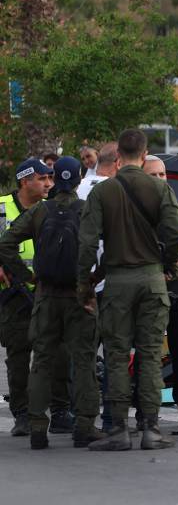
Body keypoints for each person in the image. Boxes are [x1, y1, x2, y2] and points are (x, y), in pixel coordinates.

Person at [78, 129, 178, 450]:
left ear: (116, 156)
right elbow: (177, 231)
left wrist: (83, 284)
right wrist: (170, 265)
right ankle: (150, 429)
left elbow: (86, 243)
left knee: (116, 355)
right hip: (153, 279)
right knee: (151, 355)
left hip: (117, 283)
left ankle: (118, 431)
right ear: (144, 153)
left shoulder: (103, 192)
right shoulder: (158, 188)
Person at [0, 157, 104, 449]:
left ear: (55, 178)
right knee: (83, 360)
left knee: (41, 362)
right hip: (79, 295)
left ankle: (36, 428)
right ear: (80, 179)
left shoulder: (39, 211)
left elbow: (6, 243)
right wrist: (96, 278)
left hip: (45, 296)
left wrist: (25, 276)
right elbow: (111, 244)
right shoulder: (86, 210)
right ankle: (84, 425)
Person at [0, 159, 72, 437]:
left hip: (48, 291)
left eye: (50, 179)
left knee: (60, 352)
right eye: (42, 179)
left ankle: (61, 410)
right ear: (24, 180)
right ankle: (22, 414)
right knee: (18, 355)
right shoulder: (3, 205)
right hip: (13, 295)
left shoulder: (50, 207)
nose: (48, 184)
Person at [142, 156, 178, 427]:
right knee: (147, 350)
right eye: (153, 175)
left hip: (177, 282)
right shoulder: (133, 209)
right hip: (147, 284)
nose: (159, 180)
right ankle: (146, 413)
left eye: (162, 175)